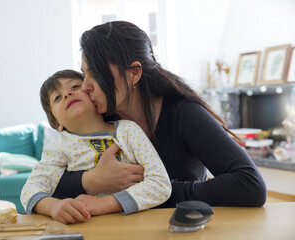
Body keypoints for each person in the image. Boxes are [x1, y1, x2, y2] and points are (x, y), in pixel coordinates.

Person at [52, 21, 267, 207]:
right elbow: (43, 185)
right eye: (84, 74)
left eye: (95, 74)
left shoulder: (183, 114)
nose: (86, 86)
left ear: (134, 73)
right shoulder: (101, 120)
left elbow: (250, 185)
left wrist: (147, 193)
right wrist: (90, 181)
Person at [20, 70, 171, 224]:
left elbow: (161, 184)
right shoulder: (58, 147)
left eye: (74, 87)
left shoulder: (129, 130)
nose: (66, 94)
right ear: (57, 123)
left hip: (136, 224)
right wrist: (54, 206)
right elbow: (29, 190)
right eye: (57, 97)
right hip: (86, 227)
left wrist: (105, 204)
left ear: (92, 95)